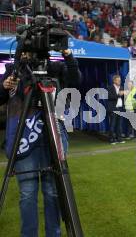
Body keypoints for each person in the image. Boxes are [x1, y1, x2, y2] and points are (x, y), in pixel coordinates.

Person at [0, 47, 81, 237]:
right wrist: (4, 86)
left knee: (52, 193)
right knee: (27, 194)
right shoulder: (13, 70)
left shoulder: (55, 68)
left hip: (50, 138)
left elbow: (75, 79)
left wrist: (68, 55)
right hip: (23, 141)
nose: (31, 54)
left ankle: (54, 233)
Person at [107, 75, 125, 144]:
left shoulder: (122, 88)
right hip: (113, 109)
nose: (119, 81)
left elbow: (122, 98)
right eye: (118, 80)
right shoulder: (110, 88)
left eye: (120, 80)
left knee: (119, 125)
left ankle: (119, 138)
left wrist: (124, 94)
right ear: (114, 81)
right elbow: (110, 97)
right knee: (112, 124)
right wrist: (119, 94)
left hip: (120, 108)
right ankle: (111, 139)